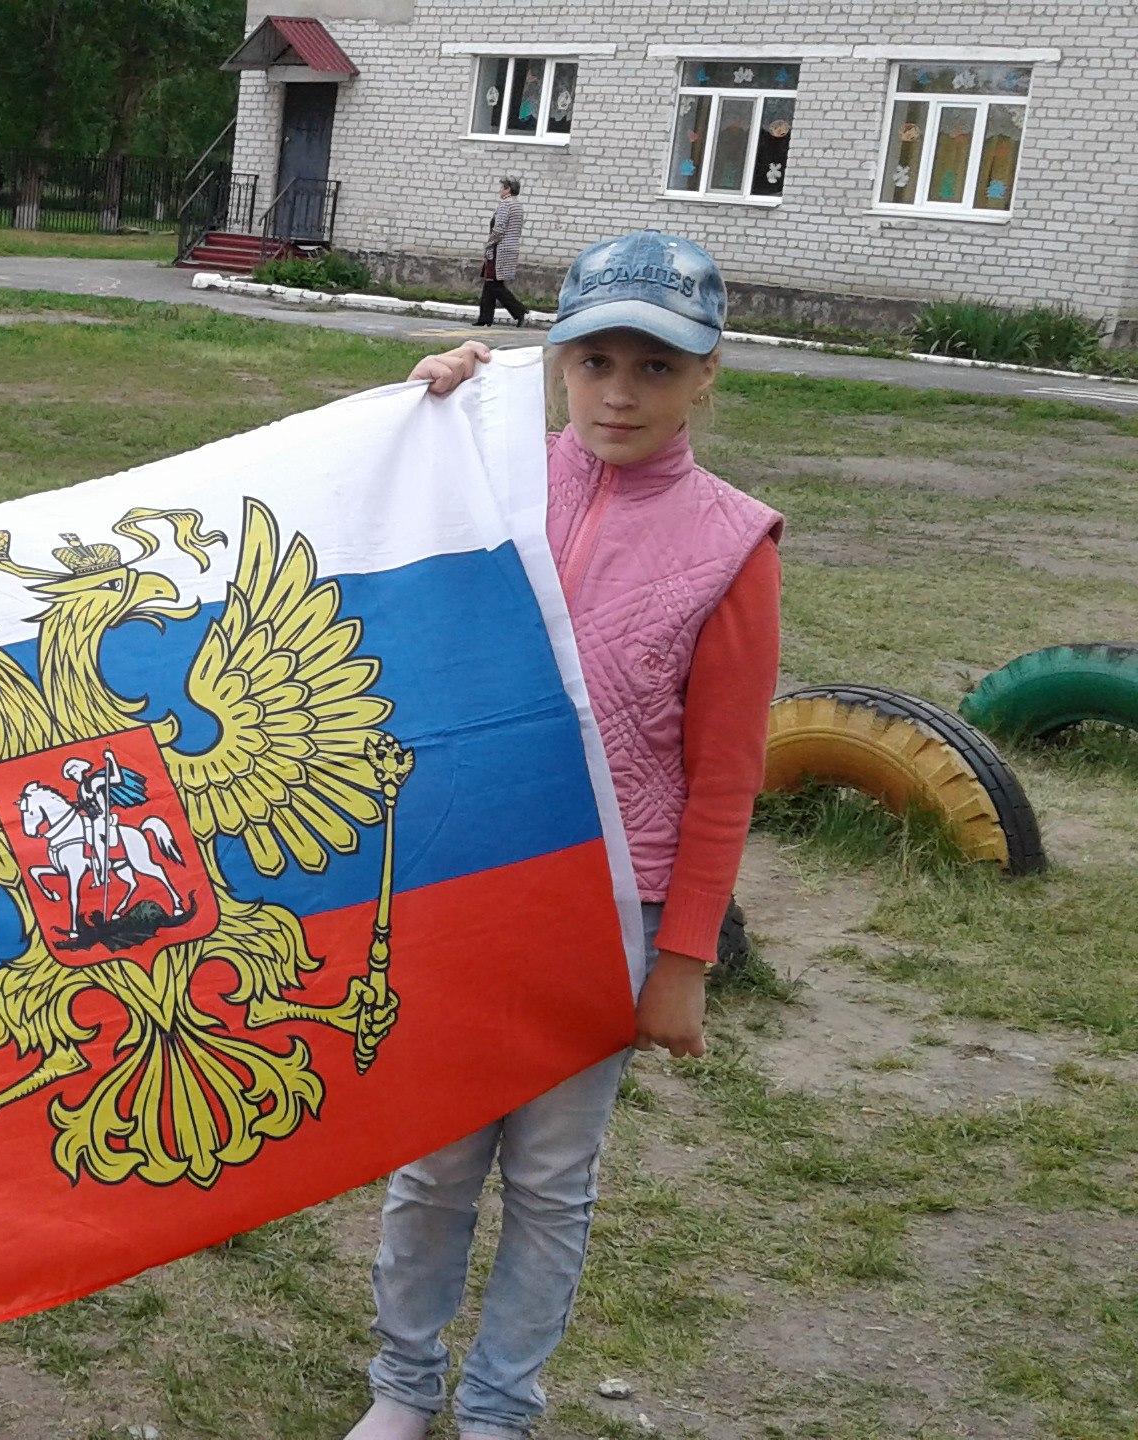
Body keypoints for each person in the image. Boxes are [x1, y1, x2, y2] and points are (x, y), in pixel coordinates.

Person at [344, 231, 781, 1440]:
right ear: (558, 364)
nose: (619, 394)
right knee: (434, 1160)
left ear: (706, 374)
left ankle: (498, 1408)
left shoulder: (733, 546)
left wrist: (680, 957)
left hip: (610, 911)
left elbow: (725, 780)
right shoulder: (496, 482)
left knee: (546, 1178)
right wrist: (427, 412)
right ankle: (402, 1386)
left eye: (655, 366)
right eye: (594, 362)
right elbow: (376, 518)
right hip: (469, 883)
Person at [477, 177, 529, 328]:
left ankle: (519, 310)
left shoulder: (506, 204)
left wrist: (489, 243)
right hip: (511, 247)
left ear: (508, 189)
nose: (500, 191)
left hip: (499, 248)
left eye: (502, 188)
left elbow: (499, 228)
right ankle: (485, 318)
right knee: (491, 282)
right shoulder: (518, 206)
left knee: (494, 283)